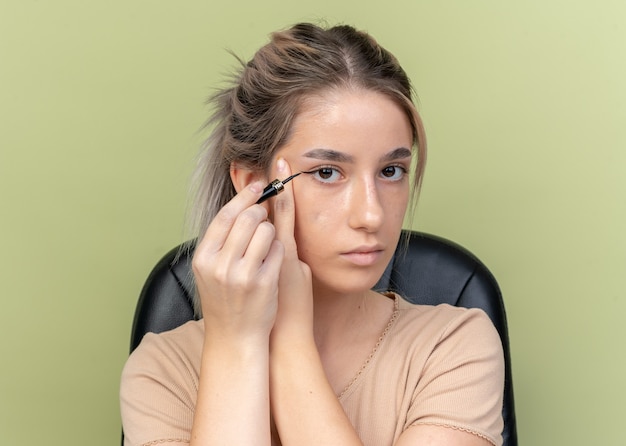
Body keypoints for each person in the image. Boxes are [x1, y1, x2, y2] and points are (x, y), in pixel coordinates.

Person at [120, 22, 504, 446]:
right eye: (327, 172)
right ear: (253, 185)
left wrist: (289, 341)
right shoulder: (164, 371)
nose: (371, 214)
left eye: (391, 171)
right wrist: (237, 345)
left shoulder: (453, 346)